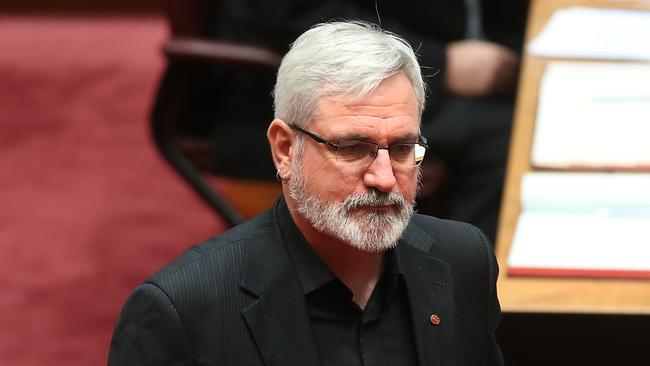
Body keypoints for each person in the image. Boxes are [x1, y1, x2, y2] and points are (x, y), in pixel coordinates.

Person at [108, 21, 503, 366]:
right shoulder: (182, 312)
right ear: (284, 149)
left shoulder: (464, 261)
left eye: (401, 148)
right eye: (351, 148)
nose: (384, 178)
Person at [209, 0, 529, 240]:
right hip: (330, 85)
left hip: (457, 66)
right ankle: (455, 293)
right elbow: (290, 16)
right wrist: (440, 62)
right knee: (513, 140)